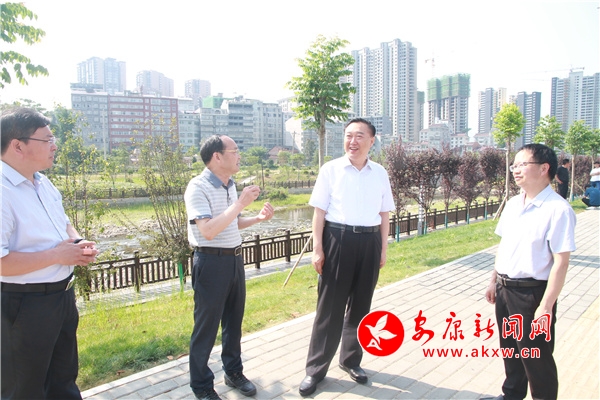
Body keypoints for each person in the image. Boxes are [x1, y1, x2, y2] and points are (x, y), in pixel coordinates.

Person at [1, 107, 99, 399]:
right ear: (18, 145)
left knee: (63, 382)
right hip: (23, 305)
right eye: (47, 140)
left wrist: (77, 242)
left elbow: (63, 223)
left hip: (61, 297)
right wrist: (57, 256)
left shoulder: (43, 183)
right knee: (25, 389)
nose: (54, 146)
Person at [298, 118, 395, 397]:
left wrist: (383, 248)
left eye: (359, 136)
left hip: (370, 241)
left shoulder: (380, 173)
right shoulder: (330, 170)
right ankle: (315, 370)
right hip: (338, 239)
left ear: (372, 141)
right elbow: (319, 212)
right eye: (348, 135)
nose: (353, 141)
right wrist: (318, 248)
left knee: (361, 305)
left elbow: (384, 213)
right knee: (330, 308)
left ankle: (351, 360)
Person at [184, 135, 274, 400]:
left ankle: (233, 372)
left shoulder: (230, 185)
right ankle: (202, 386)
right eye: (234, 151)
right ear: (217, 156)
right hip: (210, 262)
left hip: (234, 259)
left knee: (233, 323)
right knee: (206, 328)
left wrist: (256, 218)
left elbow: (231, 222)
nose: (239, 156)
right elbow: (208, 230)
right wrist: (241, 203)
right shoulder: (197, 187)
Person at [485, 143, 576, 400]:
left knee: (536, 358)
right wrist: (493, 280)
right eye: (513, 165)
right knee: (511, 351)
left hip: (531, 294)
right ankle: (511, 395)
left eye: (522, 164)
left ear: (544, 168)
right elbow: (504, 246)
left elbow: (561, 263)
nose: (515, 170)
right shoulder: (514, 204)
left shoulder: (558, 210)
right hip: (505, 289)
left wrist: (546, 307)